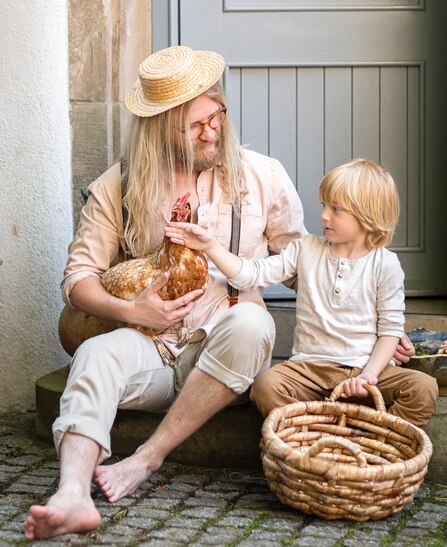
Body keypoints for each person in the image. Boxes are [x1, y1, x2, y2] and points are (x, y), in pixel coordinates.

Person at [24, 46, 413, 540]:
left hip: (226, 356)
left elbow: (308, 267)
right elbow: (77, 279)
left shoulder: (262, 175)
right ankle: (72, 494)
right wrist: (131, 308)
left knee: (252, 322)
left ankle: (147, 459)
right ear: (161, 126)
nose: (213, 131)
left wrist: (377, 330)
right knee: (96, 355)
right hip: (151, 347)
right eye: (195, 125)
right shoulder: (118, 184)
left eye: (218, 116)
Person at [165, 157, 438, 426]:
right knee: (265, 387)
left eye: (336, 209)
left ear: (367, 216)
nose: (324, 215)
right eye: (324, 206)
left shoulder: (386, 264)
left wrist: (368, 376)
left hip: (364, 370)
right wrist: (210, 246)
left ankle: (376, 438)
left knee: (424, 388)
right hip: (308, 371)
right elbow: (252, 275)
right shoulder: (304, 249)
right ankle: (323, 433)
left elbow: (390, 331)